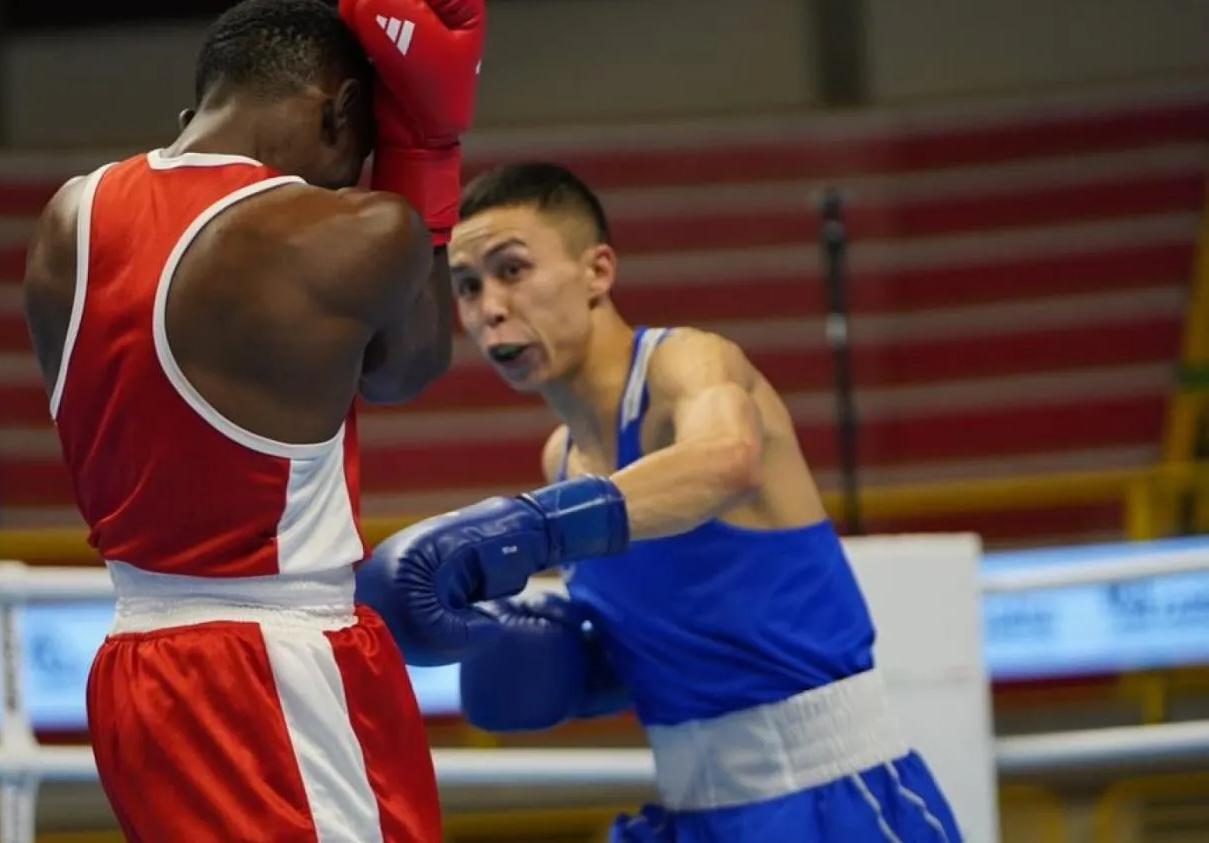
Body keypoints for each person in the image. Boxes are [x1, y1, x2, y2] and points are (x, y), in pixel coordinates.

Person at [355, 163, 964, 842]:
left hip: (832, 801)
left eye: (513, 270)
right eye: (467, 287)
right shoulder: (561, 459)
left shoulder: (685, 364)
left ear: (598, 271)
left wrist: (534, 528)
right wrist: (569, 663)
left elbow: (726, 458)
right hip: (694, 812)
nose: (488, 307)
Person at [20, 0, 485, 839]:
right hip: (274, 666)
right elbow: (407, 367)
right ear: (340, 111)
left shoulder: (68, 218)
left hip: (136, 665)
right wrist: (423, 150)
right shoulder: (335, 232)